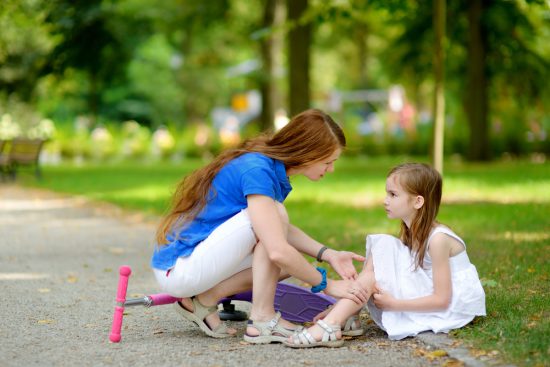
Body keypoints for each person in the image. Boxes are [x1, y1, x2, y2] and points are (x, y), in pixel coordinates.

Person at [151, 109, 370, 343]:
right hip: (179, 268)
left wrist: (328, 254)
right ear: (308, 152)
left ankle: (203, 301)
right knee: (278, 234)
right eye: (328, 161)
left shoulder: (267, 165)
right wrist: (328, 285)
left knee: (289, 262)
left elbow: (275, 230)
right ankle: (262, 320)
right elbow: (274, 243)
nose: (331, 169)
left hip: (192, 263)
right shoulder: (258, 170)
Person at [285, 163, 486, 348]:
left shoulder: (438, 239)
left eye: (393, 194)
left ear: (417, 201)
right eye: (386, 193)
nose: (385, 200)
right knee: (383, 246)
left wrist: (394, 305)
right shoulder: (411, 231)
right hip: (426, 287)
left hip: (452, 305)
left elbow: (442, 299)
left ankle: (333, 323)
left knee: (381, 257)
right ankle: (344, 316)